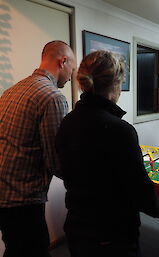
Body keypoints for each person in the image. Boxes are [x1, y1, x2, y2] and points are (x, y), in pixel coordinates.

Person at [55, 50, 159, 257]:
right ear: (116, 84)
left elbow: (63, 168)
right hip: (112, 235)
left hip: (77, 227)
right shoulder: (120, 130)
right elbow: (138, 187)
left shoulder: (68, 121)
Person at [0, 40, 76, 257]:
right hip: (22, 198)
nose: (71, 75)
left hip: (3, 192)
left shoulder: (12, 90)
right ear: (63, 62)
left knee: (15, 248)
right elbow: (56, 160)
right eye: (72, 67)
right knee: (33, 250)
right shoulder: (53, 97)